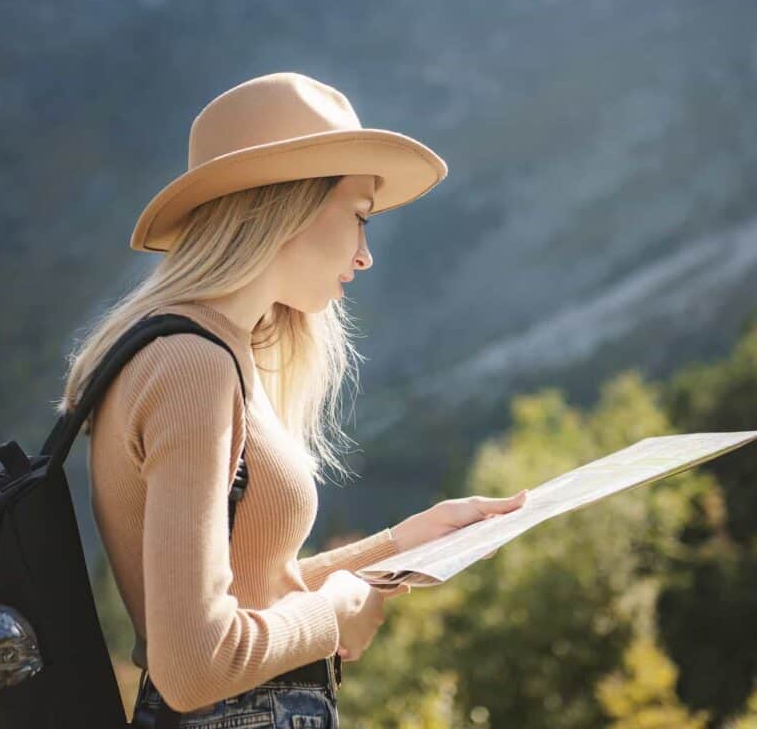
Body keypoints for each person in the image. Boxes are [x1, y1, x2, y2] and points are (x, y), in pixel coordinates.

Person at [57, 72, 528, 728]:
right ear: (290, 206)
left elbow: (245, 595)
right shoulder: (192, 366)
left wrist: (397, 547)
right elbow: (193, 665)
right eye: (358, 217)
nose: (365, 256)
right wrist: (335, 609)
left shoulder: (200, 352)